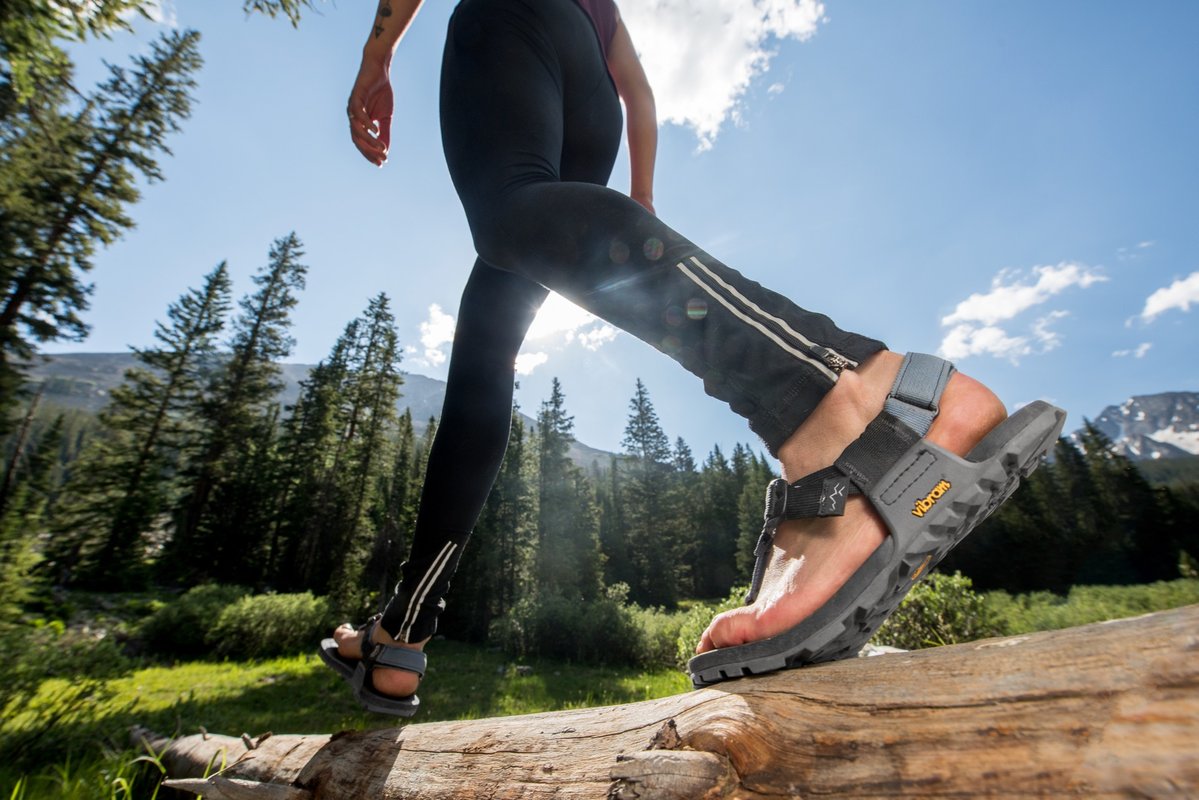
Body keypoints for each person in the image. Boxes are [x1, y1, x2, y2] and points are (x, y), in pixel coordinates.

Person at [320, 0, 1065, 715]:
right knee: (485, 345)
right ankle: (403, 632)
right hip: (591, 95)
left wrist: (376, 55)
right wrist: (640, 191)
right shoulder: (603, 12)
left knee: (508, 210)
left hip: (507, 19)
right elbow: (635, 89)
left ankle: (844, 403)